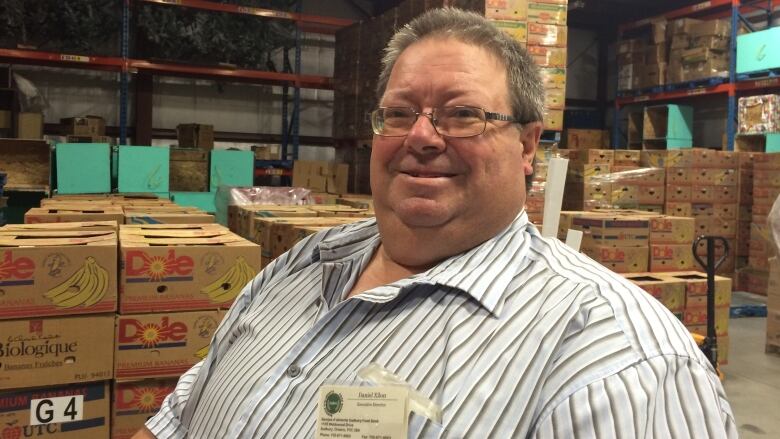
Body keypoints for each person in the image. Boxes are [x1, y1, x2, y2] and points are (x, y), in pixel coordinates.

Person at [136, 8, 737, 438]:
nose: (421, 137)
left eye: (463, 114)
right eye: (399, 113)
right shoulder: (295, 269)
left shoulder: (614, 355)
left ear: (528, 146)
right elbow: (180, 419)